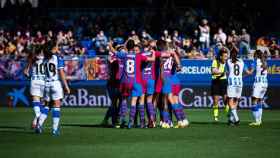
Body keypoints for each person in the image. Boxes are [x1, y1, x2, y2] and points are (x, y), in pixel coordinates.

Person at [36, 43, 70, 136]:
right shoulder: (57, 58)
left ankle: (39, 125)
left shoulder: (44, 59)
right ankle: (55, 129)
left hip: (47, 84)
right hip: (55, 83)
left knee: (48, 105)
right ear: (52, 49)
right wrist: (66, 86)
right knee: (57, 105)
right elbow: (61, 73)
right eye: (55, 47)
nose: (57, 48)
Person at [226, 49, 252, 126]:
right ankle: (231, 119)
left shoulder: (228, 61)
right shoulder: (241, 61)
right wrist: (242, 76)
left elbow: (227, 72)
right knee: (236, 100)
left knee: (230, 101)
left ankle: (236, 119)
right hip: (239, 83)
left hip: (231, 83)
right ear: (237, 55)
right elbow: (248, 73)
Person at [24, 45, 46, 129]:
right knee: (44, 104)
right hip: (44, 82)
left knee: (36, 102)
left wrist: (30, 76)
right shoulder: (47, 58)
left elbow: (25, 72)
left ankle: (35, 120)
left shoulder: (32, 58)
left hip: (34, 81)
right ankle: (37, 121)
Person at [249, 50, 268, 126]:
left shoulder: (255, 61)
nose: (253, 55)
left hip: (258, 84)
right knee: (260, 101)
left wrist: (242, 76)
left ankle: (257, 121)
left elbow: (250, 72)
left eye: (254, 54)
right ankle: (259, 120)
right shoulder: (265, 62)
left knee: (254, 101)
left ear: (256, 55)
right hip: (265, 83)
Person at [211, 48, 229, 122]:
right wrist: (222, 73)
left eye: (226, 56)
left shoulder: (228, 62)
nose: (226, 58)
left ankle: (228, 113)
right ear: (221, 56)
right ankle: (216, 117)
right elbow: (213, 71)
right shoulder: (215, 61)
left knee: (225, 99)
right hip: (215, 81)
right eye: (224, 56)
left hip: (223, 81)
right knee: (216, 100)